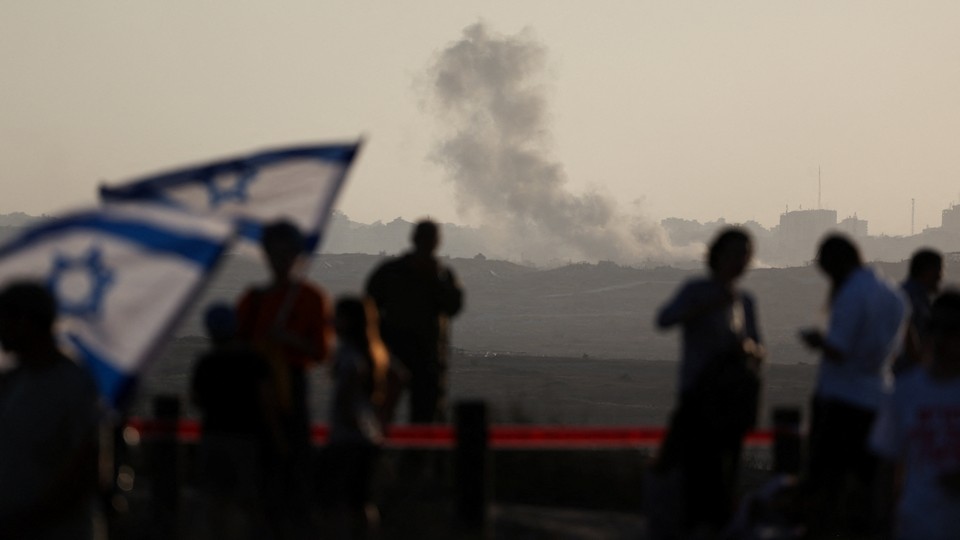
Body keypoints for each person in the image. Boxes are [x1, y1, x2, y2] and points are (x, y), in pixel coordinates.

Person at [655, 227, 765, 536]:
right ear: (718, 256)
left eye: (745, 256)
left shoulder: (745, 301)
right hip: (697, 395)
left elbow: (759, 349)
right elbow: (664, 319)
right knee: (696, 472)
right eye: (735, 254)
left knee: (725, 475)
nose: (740, 262)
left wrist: (747, 349)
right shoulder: (697, 290)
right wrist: (707, 307)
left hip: (731, 401)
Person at [798, 234, 908, 537]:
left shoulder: (851, 293)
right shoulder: (893, 295)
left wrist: (817, 341)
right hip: (877, 400)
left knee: (827, 483)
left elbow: (839, 348)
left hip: (840, 400)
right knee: (866, 487)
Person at [236, 219, 333, 537]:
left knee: (295, 467)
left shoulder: (311, 299)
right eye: (274, 252)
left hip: (293, 388)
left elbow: (320, 352)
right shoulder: (253, 300)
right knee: (262, 473)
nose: (280, 259)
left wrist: (288, 340)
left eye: (286, 253)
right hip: (256, 390)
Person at [0, 281, 100, 539]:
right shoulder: (12, 382)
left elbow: (84, 471)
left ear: (26, 321)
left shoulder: (71, 385)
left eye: (6, 319)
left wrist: (28, 521)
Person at [871, 290, 960, 539]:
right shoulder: (904, 391)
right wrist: (882, 518)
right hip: (916, 523)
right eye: (935, 328)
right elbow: (888, 462)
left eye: (951, 330)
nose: (941, 338)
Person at [365, 219, 463, 424]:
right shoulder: (392, 272)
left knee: (425, 415)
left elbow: (453, 306)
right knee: (383, 411)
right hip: (395, 352)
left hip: (425, 354)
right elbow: (369, 307)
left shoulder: (440, 275)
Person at [191, 302, 272, 539]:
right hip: (247, 438)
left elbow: (196, 399)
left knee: (217, 500)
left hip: (213, 436)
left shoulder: (207, 363)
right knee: (250, 500)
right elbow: (266, 401)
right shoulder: (255, 361)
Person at [325, 296, 404, 539]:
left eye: (338, 317)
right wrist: (383, 417)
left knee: (342, 502)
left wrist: (349, 414)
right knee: (362, 502)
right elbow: (398, 377)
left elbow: (350, 382)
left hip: (348, 437)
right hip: (367, 435)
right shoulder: (375, 351)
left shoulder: (349, 353)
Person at [893, 248, 944, 376]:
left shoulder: (909, 294)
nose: (940, 277)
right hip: (906, 371)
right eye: (938, 271)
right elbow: (908, 334)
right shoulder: (913, 298)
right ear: (928, 271)